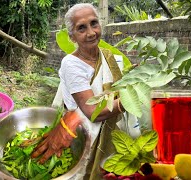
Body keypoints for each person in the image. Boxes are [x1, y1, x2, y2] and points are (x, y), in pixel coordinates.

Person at [32, 3, 128, 179]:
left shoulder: (107, 56)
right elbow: (93, 112)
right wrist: (130, 100)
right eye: (81, 28)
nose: (91, 32)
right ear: (72, 37)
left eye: (94, 23)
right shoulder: (72, 64)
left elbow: (117, 87)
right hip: (85, 137)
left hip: (112, 133)